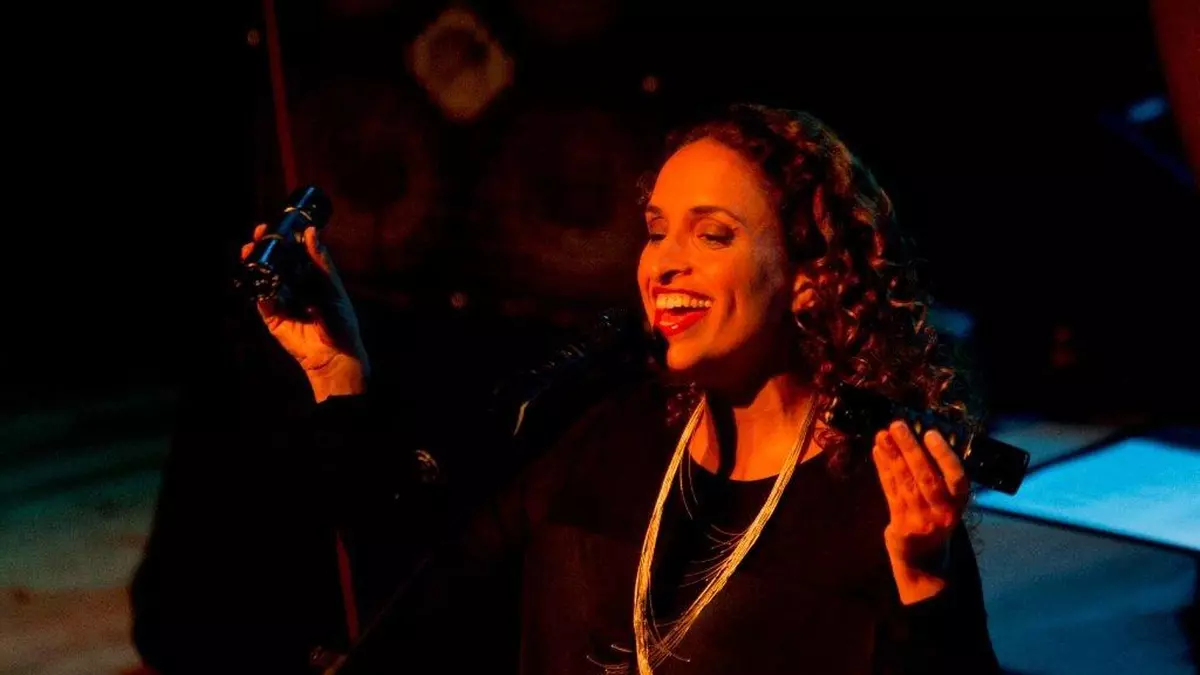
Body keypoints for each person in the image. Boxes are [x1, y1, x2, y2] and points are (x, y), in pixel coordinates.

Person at [243, 103, 1001, 674]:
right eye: (657, 229)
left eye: (712, 234)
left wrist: (927, 590)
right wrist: (336, 375)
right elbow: (414, 580)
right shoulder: (605, 437)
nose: (664, 262)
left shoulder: (876, 503)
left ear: (810, 277)